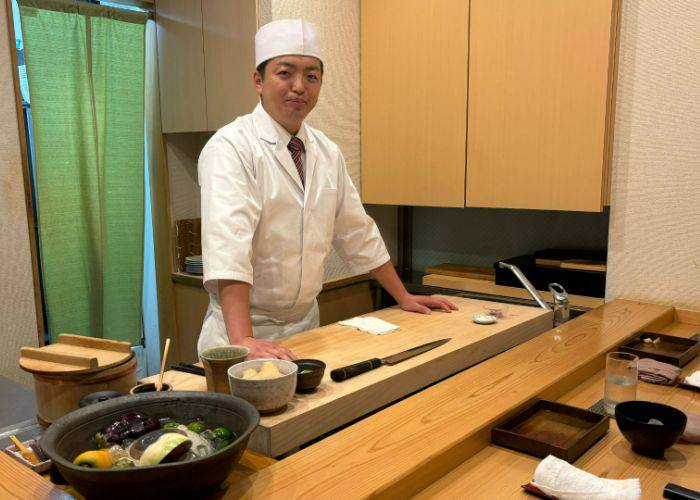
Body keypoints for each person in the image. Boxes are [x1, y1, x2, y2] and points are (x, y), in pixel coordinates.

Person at [197, 19, 456, 360]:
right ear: (258, 81)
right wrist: (244, 339)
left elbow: (356, 231)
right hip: (241, 334)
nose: (299, 87)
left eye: (311, 76)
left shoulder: (325, 151)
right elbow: (230, 244)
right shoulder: (231, 147)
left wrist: (402, 296)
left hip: (306, 329)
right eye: (285, 73)